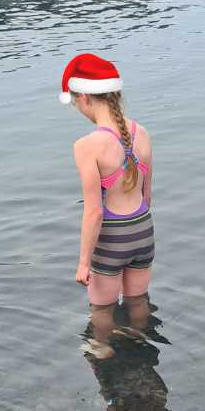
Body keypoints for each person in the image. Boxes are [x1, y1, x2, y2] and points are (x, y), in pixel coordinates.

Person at [61, 53, 155, 351]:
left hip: (112, 239)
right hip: (143, 231)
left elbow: (94, 212)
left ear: (85, 97)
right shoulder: (142, 133)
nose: (78, 109)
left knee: (102, 310)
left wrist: (83, 262)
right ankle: (139, 344)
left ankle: (105, 354)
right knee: (137, 301)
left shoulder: (87, 146)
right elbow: (147, 195)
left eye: (76, 102)